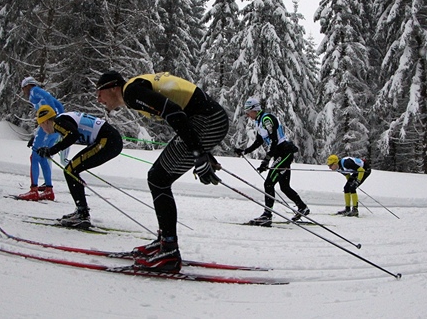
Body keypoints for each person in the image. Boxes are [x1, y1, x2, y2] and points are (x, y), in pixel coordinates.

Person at [97, 71, 227, 272]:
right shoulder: (134, 87)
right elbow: (180, 110)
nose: (98, 99)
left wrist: (198, 152)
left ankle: (169, 250)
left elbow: (174, 112)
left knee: (158, 178)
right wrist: (200, 150)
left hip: (207, 120)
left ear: (113, 87)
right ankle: (164, 242)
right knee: (159, 177)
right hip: (207, 119)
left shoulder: (131, 91)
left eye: (100, 92)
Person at [34, 105, 123, 228]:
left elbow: (72, 135)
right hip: (110, 140)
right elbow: (67, 135)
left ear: (46, 121)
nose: (42, 129)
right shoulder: (61, 120)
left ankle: (82, 213)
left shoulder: (58, 122)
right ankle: (81, 211)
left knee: (70, 170)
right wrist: (36, 142)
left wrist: (51, 150)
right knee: (71, 170)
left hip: (107, 141)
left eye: (41, 125)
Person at [234, 97, 309, 226]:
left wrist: (266, 161)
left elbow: (274, 140)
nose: (247, 114)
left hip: (284, 152)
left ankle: (267, 215)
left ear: (255, 110)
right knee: (284, 187)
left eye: (248, 111)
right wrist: (244, 151)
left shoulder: (267, 119)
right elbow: (259, 141)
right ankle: (302, 207)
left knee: (268, 184)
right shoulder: (258, 122)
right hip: (279, 154)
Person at [19, 77, 64, 201]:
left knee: (34, 157)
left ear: (27, 86)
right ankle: (49, 190)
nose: (23, 91)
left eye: (23, 88)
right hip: (53, 128)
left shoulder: (34, 91)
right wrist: (60, 121)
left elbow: (49, 98)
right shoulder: (36, 94)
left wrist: (50, 117)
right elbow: (59, 105)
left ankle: (33, 190)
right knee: (43, 156)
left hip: (47, 126)